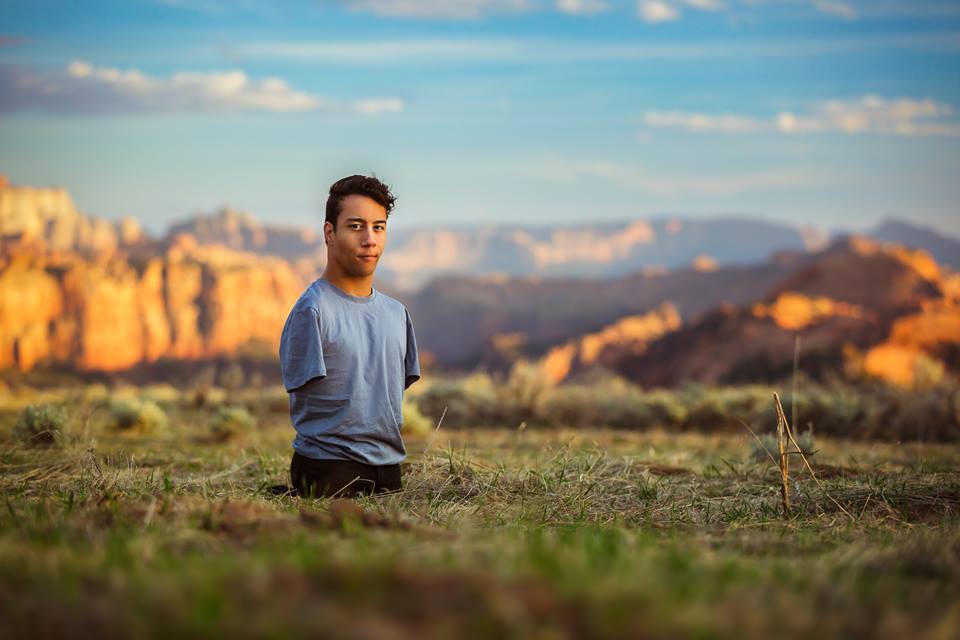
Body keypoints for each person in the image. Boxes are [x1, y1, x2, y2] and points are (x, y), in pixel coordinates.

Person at [277, 174, 420, 498]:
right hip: (329, 468)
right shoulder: (311, 311)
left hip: (390, 470)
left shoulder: (397, 314)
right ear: (330, 233)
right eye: (355, 226)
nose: (370, 239)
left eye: (378, 227)